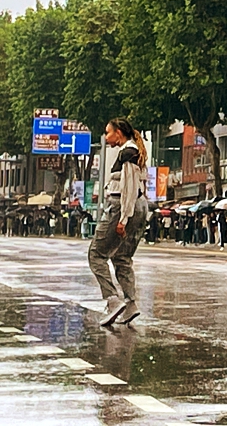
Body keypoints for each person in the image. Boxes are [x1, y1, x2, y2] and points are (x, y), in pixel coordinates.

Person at [90, 118, 150, 327]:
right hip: (136, 206)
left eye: (108, 133)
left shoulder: (128, 153)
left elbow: (130, 188)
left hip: (123, 207)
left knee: (96, 254)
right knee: (122, 257)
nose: (106, 137)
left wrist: (123, 219)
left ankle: (112, 300)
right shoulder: (132, 151)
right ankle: (130, 304)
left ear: (119, 133)